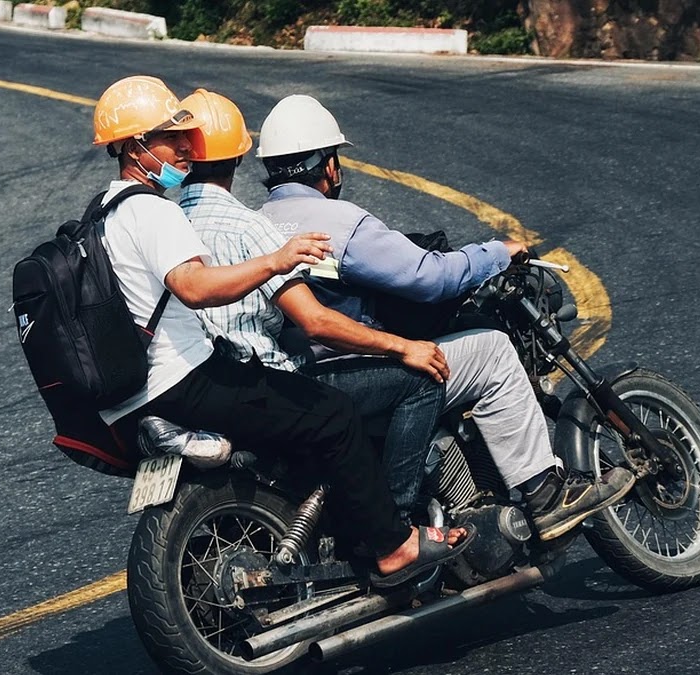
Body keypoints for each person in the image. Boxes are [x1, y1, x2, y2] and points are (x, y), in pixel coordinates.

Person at [88, 76, 467, 586]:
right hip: (185, 380)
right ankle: (393, 543)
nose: (184, 146)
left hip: (135, 391)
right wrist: (275, 261)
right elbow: (197, 286)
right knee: (334, 413)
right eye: (169, 137)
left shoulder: (103, 214)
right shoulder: (155, 210)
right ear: (134, 146)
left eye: (187, 138)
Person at [255, 94, 636, 541]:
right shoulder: (339, 222)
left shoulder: (257, 222)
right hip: (355, 369)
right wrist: (496, 253)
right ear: (327, 165)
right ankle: (545, 494)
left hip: (298, 377)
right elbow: (428, 277)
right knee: (492, 350)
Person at [175, 88, 447, 522]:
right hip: (267, 383)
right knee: (420, 381)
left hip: (199, 387)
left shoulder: (167, 223)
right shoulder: (251, 227)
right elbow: (315, 321)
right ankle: (397, 525)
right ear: (240, 158)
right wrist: (402, 346)